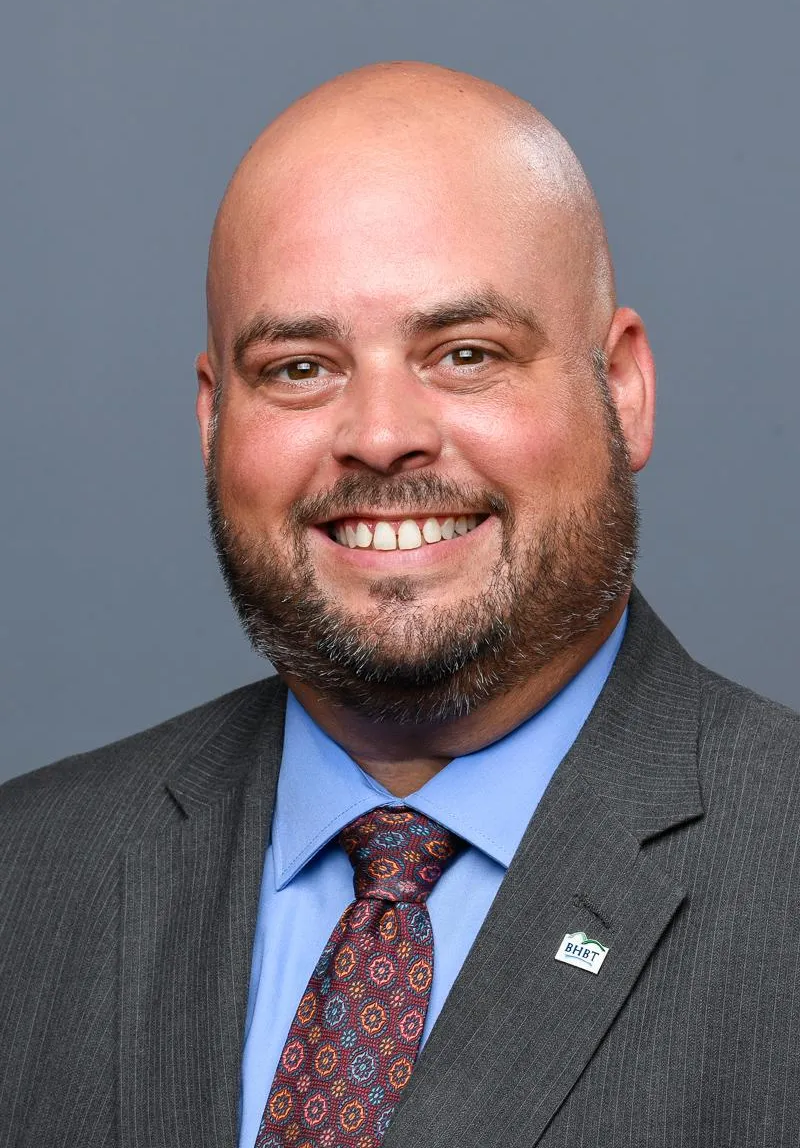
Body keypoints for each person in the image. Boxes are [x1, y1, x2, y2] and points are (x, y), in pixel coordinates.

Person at [1, 61, 799, 1148]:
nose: (381, 436)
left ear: (622, 390)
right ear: (212, 422)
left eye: (465, 354)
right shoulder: (26, 881)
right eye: (299, 368)